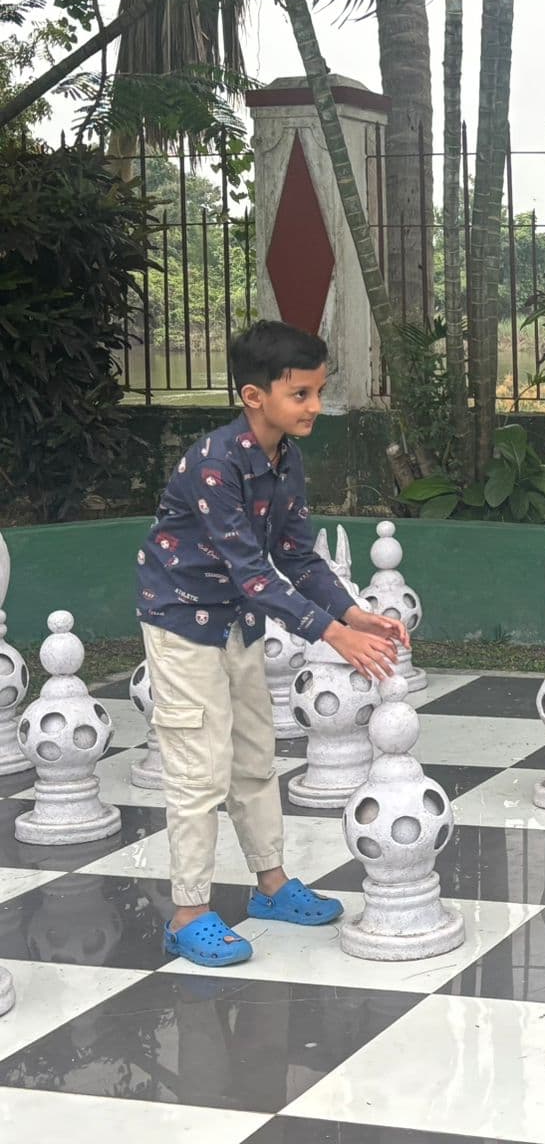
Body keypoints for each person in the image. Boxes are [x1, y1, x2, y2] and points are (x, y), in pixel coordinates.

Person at [134, 320, 410, 967]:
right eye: (302, 394)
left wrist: (353, 613)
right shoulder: (214, 464)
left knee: (256, 755)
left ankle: (271, 885)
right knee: (199, 770)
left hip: (236, 622)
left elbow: (296, 556)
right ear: (255, 396)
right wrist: (332, 635)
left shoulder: (287, 457)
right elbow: (251, 572)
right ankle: (188, 913)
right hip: (180, 624)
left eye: (318, 392)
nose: (315, 406)